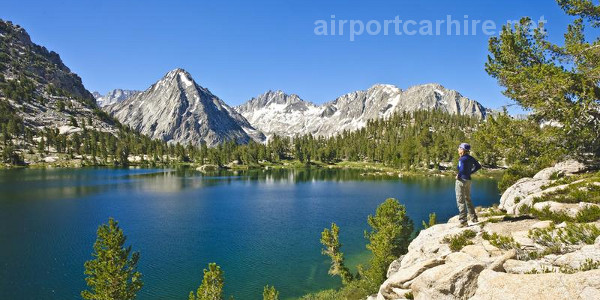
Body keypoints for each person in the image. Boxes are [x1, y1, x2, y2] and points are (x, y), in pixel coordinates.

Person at [455, 143, 482, 227]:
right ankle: (474, 218)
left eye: (459, 148)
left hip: (461, 181)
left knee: (460, 200)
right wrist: (470, 172)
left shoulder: (462, 159)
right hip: (468, 180)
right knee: (468, 199)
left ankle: (463, 222)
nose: (458, 149)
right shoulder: (470, 158)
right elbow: (478, 166)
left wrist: (459, 175)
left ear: (463, 150)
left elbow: (462, 169)